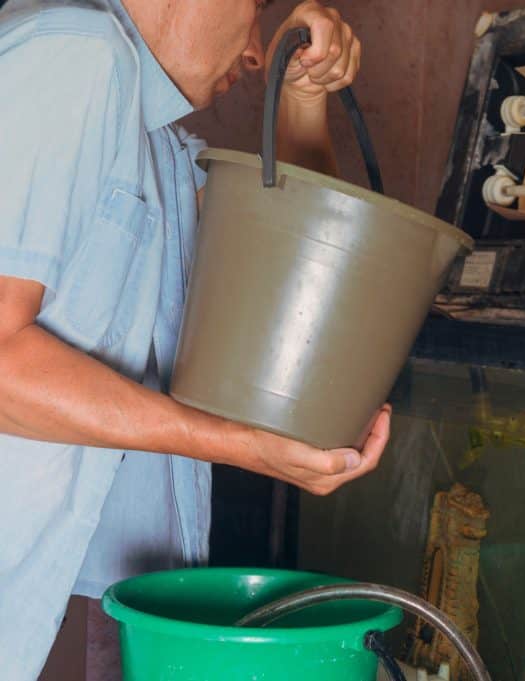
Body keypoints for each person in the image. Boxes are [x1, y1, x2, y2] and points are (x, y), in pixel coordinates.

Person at [0, 0, 390, 676]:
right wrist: (245, 445)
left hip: (105, 602)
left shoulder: (160, 148)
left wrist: (300, 97)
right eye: (255, 9)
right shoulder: (78, 53)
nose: (253, 50)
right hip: (36, 605)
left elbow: (299, 279)